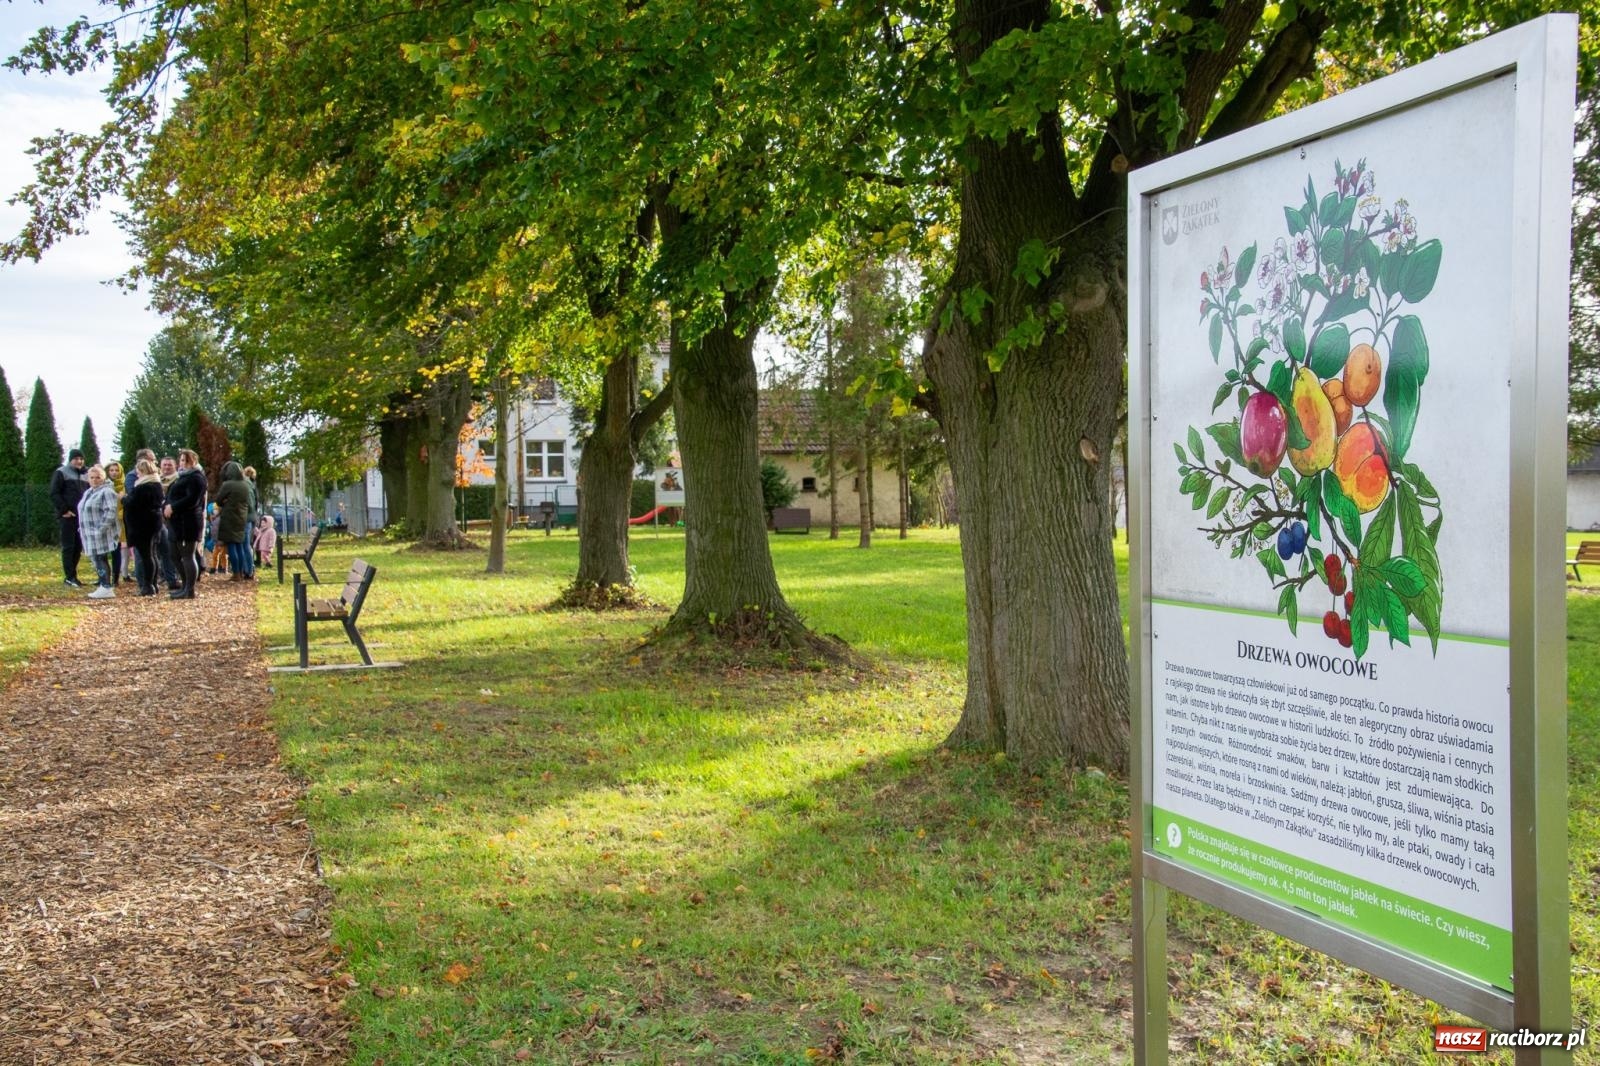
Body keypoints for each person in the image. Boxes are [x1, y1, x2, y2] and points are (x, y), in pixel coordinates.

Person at [163, 449, 207, 599]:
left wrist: (173, 507)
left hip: (187, 523)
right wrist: (167, 506)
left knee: (187, 556)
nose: (183, 463)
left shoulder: (196, 478)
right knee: (174, 555)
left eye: (186, 460)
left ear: (194, 461)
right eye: (181, 460)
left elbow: (192, 500)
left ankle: (189, 589)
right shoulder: (181, 477)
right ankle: (185, 585)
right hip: (175, 523)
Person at [77, 465, 121, 600]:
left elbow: (110, 511)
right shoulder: (89, 491)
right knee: (96, 558)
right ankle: (103, 584)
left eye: (98, 477)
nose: (95, 480)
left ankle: (106, 586)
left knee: (100, 558)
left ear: (103, 478)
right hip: (88, 532)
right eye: (92, 478)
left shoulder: (107, 491)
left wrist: (100, 529)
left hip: (100, 532)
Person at [124, 458, 165, 596]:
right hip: (154, 523)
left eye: (138, 472)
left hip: (142, 525)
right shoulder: (157, 484)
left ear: (142, 471)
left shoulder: (143, 487)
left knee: (146, 556)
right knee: (152, 554)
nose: (137, 475)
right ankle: (153, 584)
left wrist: (123, 498)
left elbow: (132, 503)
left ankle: (148, 586)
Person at [48, 448, 88, 587]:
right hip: (68, 516)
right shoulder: (61, 472)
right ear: (71, 459)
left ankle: (72, 576)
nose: (79, 461)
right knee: (68, 546)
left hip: (81, 517)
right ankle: (70, 576)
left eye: (81, 459)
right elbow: (54, 493)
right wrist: (64, 510)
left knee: (78, 546)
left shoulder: (86, 474)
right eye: (76, 458)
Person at [214, 461, 253, 580]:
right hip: (242, 516)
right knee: (240, 545)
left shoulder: (228, 484)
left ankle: (236, 573)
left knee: (231, 546)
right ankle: (241, 572)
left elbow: (219, 500)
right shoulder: (246, 484)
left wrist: (225, 501)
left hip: (229, 517)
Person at [102, 460, 128, 584]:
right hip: (105, 521)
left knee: (116, 550)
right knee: (102, 551)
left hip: (119, 521)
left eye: (117, 470)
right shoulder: (103, 485)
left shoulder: (125, 485)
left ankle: (116, 577)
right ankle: (103, 576)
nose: (114, 473)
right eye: (111, 470)